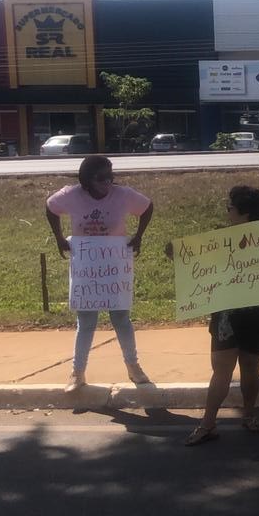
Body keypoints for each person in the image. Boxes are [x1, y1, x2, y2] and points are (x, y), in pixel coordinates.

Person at [185, 186, 259, 446]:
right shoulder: (222, 239)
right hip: (227, 314)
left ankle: (249, 414)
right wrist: (181, 257)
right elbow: (201, 269)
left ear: (245, 214)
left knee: (250, 366)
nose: (227, 212)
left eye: (230, 208)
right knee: (221, 369)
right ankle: (207, 423)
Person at [46, 156, 154, 393]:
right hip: (86, 269)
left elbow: (147, 207)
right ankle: (77, 372)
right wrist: (59, 238)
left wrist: (139, 236)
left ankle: (133, 367)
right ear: (86, 180)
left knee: (121, 319)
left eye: (110, 176)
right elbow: (51, 207)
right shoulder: (72, 195)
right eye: (101, 178)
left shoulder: (123, 195)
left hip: (115, 266)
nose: (108, 182)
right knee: (86, 322)